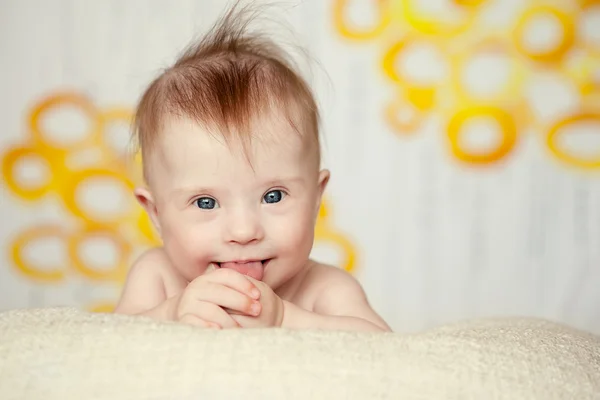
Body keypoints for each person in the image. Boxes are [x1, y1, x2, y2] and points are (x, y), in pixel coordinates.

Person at [114, 1, 391, 332]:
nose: (244, 232)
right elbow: (111, 343)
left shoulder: (324, 289)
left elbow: (385, 349)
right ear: (156, 213)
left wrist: (286, 318)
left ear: (316, 198)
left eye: (273, 196)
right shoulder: (156, 276)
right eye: (206, 202)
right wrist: (172, 313)